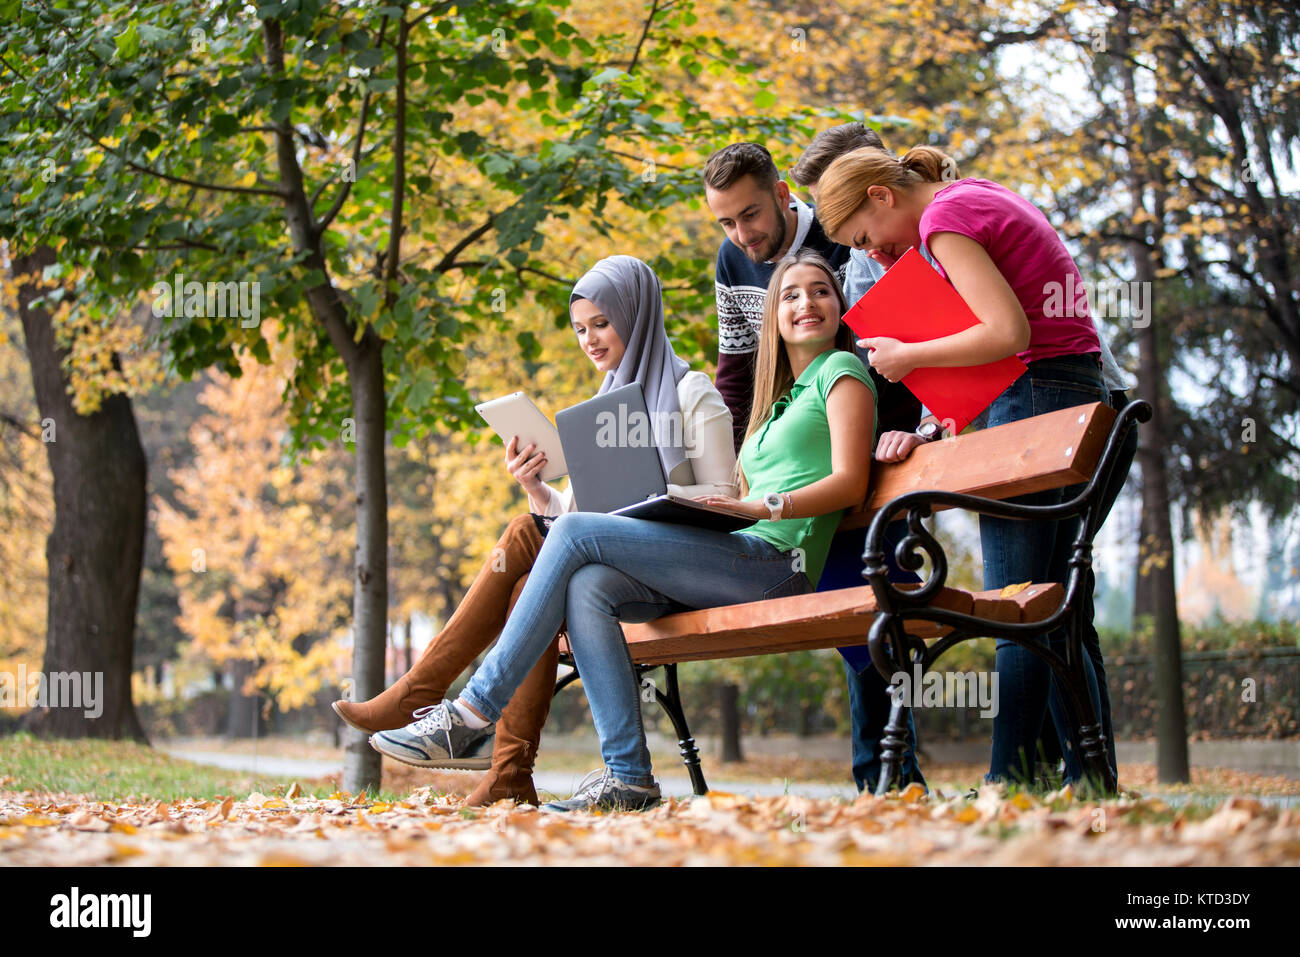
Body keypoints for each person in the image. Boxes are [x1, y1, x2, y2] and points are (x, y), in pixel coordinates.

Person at [375, 249, 879, 812]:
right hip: (730, 555)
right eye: (788, 295)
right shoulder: (777, 400)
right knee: (588, 583)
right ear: (772, 316)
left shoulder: (842, 370)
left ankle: (471, 713)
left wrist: (767, 506)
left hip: (777, 561)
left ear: (841, 304)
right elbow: (726, 496)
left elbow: (850, 484)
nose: (804, 304)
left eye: (819, 292)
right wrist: (546, 491)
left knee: (568, 538)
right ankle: (629, 778)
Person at [333, 255, 736, 806]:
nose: (590, 340)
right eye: (579, 330)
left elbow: (725, 500)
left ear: (637, 315)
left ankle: (460, 710)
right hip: (619, 574)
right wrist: (538, 488)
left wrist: (652, 499)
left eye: (601, 323)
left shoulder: (694, 394)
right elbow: (573, 513)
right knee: (530, 535)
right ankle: (504, 770)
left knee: (544, 537)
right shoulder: (602, 410)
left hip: (688, 566)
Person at [815, 145, 1119, 786]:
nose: (871, 254)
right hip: (1062, 388)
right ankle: (1090, 780)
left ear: (881, 195)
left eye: (865, 237)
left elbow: (1007, 331)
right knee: (1052, 606)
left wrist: (908, 354)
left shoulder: (943, 221)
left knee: (1015, 606)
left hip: (1039, 391)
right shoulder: (969, 195)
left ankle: (1007, 780)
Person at [706, 138, 926, 792]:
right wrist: (744, 463)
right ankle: (882, 780)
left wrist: (906, 429)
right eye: (726, 221)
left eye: (750, 215)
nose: (741, 234)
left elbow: (903, 340)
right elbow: (739, 373)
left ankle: (891, 779)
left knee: (873, 631)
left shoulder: (847, 239)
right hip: (804, 467)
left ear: (783, 197)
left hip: (875, 452)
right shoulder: (732, 261)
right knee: (851, 633)